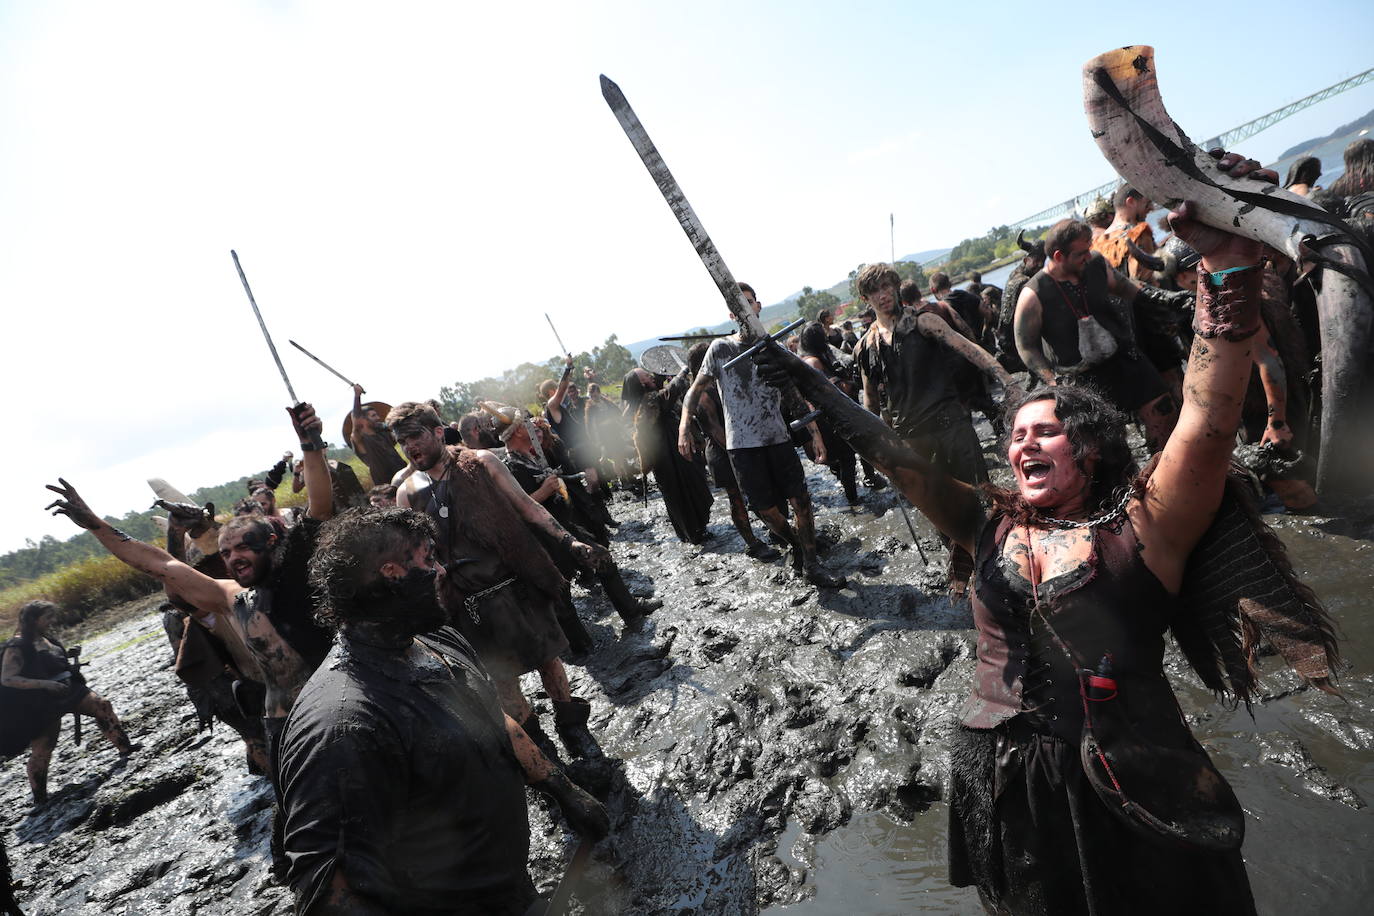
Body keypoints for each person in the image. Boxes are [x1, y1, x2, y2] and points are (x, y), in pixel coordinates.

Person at [762, 153, 1304, 914]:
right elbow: (895, 460)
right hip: (1007, 787)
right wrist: (807, 380)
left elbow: (1209, 422)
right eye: (1016, 436)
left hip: (1134, 782)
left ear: (1089, 443)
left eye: (1043, 432)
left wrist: (1228, 271)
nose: (1021, 446)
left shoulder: (1144, 526)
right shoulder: (987, 524)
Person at [45, 403, 334, 871]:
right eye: (226, 550)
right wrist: (97, 524)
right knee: (301, 841)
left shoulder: (299, 572)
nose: (235, 556)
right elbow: (157, 563)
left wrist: (310, 443)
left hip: (341, 702)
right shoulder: (228, 598)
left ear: (272, 544)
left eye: (244, 547)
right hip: (286, 725)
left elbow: (320, 503)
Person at [279, 507, 607, 916]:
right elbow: (327, 888)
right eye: (428, 558)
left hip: (507, 884)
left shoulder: (436, 638)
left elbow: (489, 719)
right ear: (392, 573)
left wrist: (561, 788)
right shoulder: (343, 723)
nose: (441, 571)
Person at [388, 401, 604, 760]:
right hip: (469, 603)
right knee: (504, 683)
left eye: (416, 436)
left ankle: (573, 728)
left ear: (438, 432)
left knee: (549, 660)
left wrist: (572, 542)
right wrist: (431, 574)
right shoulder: (407, 493)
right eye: (403, 441)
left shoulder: (482, 463)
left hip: (515, 586)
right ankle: (539, 747)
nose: (410, 447)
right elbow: (417, 553)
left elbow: (529, 508)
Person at [853, 263, 1022, 589]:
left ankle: (1000, 564)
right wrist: (873, 452)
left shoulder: (923, 322)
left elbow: (970, 349)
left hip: (952, 427)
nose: (883, 294)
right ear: (865, 298)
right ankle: (968, 572)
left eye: (888, 286)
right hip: (912, 440)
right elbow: (870, 402)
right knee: (939, 510)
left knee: (982, 498)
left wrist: (1008, 381)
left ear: (896, 286)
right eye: (875, 290)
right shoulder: (866, 347)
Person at [681, 282, 844, 587]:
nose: (745, 309)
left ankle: (812, 564)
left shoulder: (774, 348)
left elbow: (793, 393)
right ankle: (797, 545)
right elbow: (695, 390)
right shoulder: (720, 349)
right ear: (732, 313)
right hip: (742, 446)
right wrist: (684, 425)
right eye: (738, 305)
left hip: (778, 439)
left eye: (750, 303)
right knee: (764, 509)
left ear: (757, 306)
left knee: (802, 500)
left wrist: (814, 432)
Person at [1013, 218, 1183, 452]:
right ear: (1059, 256)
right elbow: (1026, 347)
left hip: (1124, 359)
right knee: (1108, 448)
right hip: (1081, 379)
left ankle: (1163, 467)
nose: (1088, 255)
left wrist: (1165, 300)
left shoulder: (1095, 264)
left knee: (1163, 411)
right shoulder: (1033, 295)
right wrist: (1053, 382)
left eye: (1089, 248)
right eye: (1081, 252)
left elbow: (1126, 288)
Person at [496, 408, 660, 634]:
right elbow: (517, 509)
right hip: (543, 542)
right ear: (516, 433)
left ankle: (631, 611)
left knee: (601, 557)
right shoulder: (511, 467)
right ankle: (581, 646)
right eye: (525, 425)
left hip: (566, 529)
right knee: (560, 594)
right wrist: (544, 491)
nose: (531, 427)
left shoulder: (531, 456)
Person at [1, 600, 136, 805]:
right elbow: (8, 679)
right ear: (33, 620)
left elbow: (52, 662)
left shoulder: (47, 639)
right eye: (47, 617)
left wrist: (67, 656)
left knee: (102, 705)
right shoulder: (18, 645)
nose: (52, 621)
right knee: (43, 748)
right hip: (39, 701)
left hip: (68, 689)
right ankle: (40, 798)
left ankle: (125, 748)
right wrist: (43, 684)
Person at [683, 341, 781, 559]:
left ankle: (775, 531)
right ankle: (752, 543)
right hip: (724, 452)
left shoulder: (717, 382)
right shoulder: (702, 393)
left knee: (756, 492)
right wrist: (740, 453)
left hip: (739, 445)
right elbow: (715, 430)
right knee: (736, 498)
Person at [624, 366, 715, 545]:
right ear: (641, 382)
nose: (649, 375)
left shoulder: (649, 396)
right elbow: (670, 392)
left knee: (695, 486)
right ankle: (692, 533)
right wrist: (681, 373)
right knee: (677, 494)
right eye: (645, 375)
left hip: (677, 450)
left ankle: (698, 528)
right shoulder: (647, 402)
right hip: (665, 457)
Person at [1092, 186, 1157, 281]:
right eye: (1147, 203)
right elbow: (1144, 279)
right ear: (1131, 202)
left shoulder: (1097, 244)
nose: (1152, 208)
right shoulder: (1138, 233)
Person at [348, 384, 407, 488]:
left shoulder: (383, 433)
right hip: (387, 485)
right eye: (373, 416)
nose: (378, 418)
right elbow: (356, 421)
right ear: (363, 420)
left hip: (404, 477)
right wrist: (357, 396)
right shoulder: (360, 440)